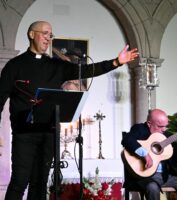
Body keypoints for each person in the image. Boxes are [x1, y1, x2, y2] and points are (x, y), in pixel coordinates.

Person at [0, 20, 138, 200]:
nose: (48, 38)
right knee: (19, 181)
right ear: (31, 34)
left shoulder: (56, 66)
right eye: (45, 33)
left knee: (40, 183)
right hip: (24, 134)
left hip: (49, 133)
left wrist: (116, 62)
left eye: (51, 35)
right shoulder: (14, 66)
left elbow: (87, 70)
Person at [121, 109, 177, 200]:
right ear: (149, 124)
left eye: (166, 126)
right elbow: (127, 139)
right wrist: (145, 154)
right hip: (143, 177)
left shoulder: (167, 135)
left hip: (164, 176)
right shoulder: (140, 129)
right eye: (160, 126)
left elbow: (176, 162)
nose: (164, 129)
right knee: (152, 187)